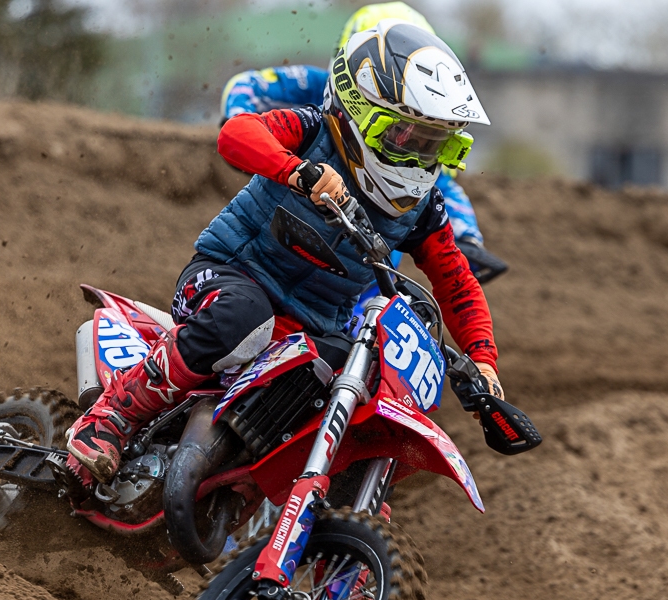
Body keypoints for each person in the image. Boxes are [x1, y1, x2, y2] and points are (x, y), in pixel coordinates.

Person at [66, 19, 503, 486]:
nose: (418, 157)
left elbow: (456, 280)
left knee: (365, 379)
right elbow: (237, 134)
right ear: (360, 111)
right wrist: (297, 171)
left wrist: (482, 359)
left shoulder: (424, 208)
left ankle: (301, 503)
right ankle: (111, 416)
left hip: (311, 326)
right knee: (244, 314)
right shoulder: (315, 130)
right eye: (407, 138)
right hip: (227, 277)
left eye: (435, 145)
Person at [219, 2, 509, 284]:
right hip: (290, 219)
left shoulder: (425, 134)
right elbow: (247, 85)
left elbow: (441, 189)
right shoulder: (318, 85)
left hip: (365, 263)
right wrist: (256, 139)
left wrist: (467, 237)